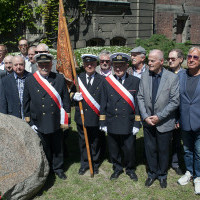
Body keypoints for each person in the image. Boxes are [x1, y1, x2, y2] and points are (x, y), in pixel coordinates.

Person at [23, 53, 71, 180]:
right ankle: (47, 168)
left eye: (47, 64)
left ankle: (58, 168)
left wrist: (67, 118)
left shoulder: (59, 78)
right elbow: (26, 101)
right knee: (45, 147)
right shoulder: (30, 80)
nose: (44, 67)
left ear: (51, 65)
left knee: (57, 145)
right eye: (41, 65)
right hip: (38, 120)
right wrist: (29, 121)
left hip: (56, 119)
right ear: (37, 65)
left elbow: (66, 99)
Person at [137, 49, 179, 188]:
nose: (149, 63)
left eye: (152, 61)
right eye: (148, 60)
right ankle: (152, 173)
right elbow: (140, 97)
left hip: (164, 122)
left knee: (163, 150)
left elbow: (174, 101)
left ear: (161, 62)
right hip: (148, 121)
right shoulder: (144, 76)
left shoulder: (171, 78)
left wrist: (159, 117)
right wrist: (145, 116)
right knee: (150, 149)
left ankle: (162, 175)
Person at [100, 53, 140, 181]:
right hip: (112, 120)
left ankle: (130, 169)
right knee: (114, 148)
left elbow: (138, 104)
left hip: (128, 121)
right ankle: (117, 168)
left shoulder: (135, 81)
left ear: (126, 65)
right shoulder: (107, 82)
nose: (118, 68)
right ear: (112, 66)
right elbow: (103, 102)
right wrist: (103, 122)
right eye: (116, 66)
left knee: (129, 148)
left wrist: (137, 123)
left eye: (121, 65)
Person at [72, 54, 103, 175]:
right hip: (82, 116)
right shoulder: (78, 78)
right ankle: (84, 163)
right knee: (83, 141)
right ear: (83, 65)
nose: (89, 66)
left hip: (95, 117)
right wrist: (74, 96)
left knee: (95, 142)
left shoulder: (102, 80)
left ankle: (94, 163)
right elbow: (69, 94)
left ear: (96, 64)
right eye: (87, 64)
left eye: (92, 64)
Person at [177, 47, 200, 195]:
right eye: (189, 56)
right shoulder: (181, 75)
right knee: (187, 150)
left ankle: (198, 177)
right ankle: (189, 172)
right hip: (184, 120)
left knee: (199, 151)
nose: (191, 59)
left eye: (195, 57)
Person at [168, 49, 185, 175]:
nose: (170, 61)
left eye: (173, 59)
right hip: (165, 114)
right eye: (169, 59)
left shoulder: (185, 75)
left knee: (177, 141)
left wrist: (178, 119)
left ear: (181, 59)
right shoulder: (165, 73)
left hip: (178, 115)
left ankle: (175, 162)